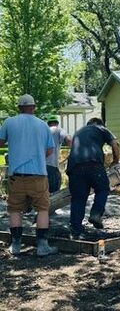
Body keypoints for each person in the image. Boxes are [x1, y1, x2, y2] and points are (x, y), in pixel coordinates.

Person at [0, 94, 58, 256]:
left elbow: (0, 142)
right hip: (38, 175)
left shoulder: (9, 122)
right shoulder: (43, 125)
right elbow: (50, 150)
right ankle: (42, 246)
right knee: (42, 210)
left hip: (16, 176)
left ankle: (16, 246)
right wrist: (36, 155)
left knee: (15, 210)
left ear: (19, 107)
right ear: (34, 107)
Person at [67, 117, 120, 239]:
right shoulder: (101, 129)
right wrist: (116, 161)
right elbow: (115, 144)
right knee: (102, 188)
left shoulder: (78, 132)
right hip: (93, 164)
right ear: (100, 124)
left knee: (78, 198)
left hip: (74, 167)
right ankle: (96, 213)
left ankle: (76, 230)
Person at [46, 115, 72, 193]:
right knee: (54, 192)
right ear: (57, 123)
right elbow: (69, 140)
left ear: (48, 124)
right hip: (52, 166)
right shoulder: (58, 130)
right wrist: (73, 151)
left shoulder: (42, 131)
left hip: (39, 167)